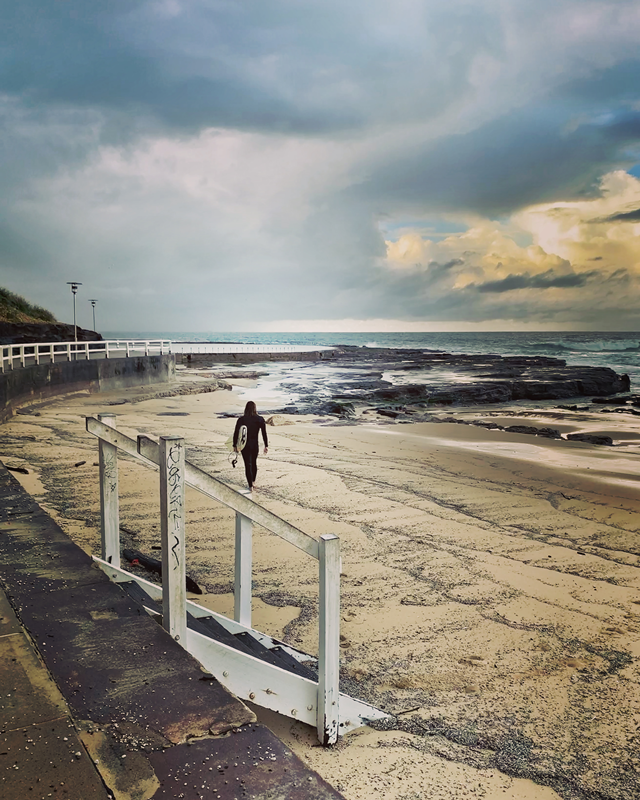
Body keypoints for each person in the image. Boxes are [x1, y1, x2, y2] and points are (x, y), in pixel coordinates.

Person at [233, 400, 268, 490]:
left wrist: (234, 445)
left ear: (246, 409)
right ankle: (253, 481)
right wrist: (266, 445)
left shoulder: (241, 419)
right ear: (255, 408)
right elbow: (264, 433)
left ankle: (250, 486)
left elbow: (236, 433)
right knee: (254, 463)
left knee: (247, 465)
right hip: (254, 445)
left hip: (244, 446)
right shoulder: (260, 419)